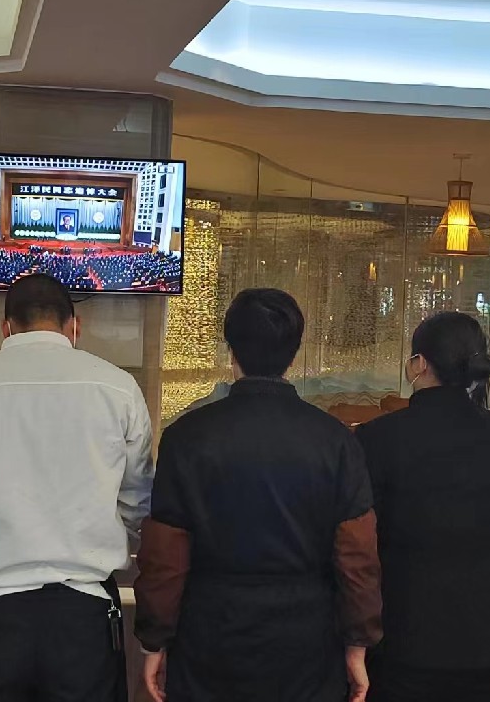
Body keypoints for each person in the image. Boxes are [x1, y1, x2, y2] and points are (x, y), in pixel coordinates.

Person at [135, 288, 383, 702]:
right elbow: (357, 555)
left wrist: (154, 639)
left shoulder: (186, 437)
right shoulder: (335, 440)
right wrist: (358, 643)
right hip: (306, 639)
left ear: (231, 350)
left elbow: (165, 554)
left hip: (210, 633)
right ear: (294, 354)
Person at [0, 274, 156, 702]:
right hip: (85, 611)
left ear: (6, 328)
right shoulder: (118, 387)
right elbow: (137, 501)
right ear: (75, 326)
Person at [356, 312, 490, 701]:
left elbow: (361, 546)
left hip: (400, 635)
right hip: (485, 639)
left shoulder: (379, 438)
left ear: (419, 364)